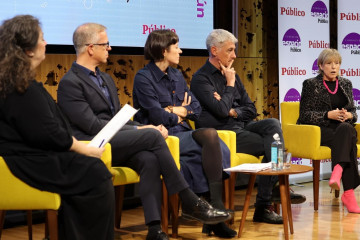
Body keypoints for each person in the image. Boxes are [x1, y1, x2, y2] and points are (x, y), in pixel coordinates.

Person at [57, 23, 231, 240]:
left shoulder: (107, 79)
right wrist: (145, 129)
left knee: (148, 159)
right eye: (106, 44)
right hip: (92, 144)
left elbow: (115, 119)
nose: (110, 48)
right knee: (152, 135)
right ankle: (189, 199)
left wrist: (142, 126)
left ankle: (154, 228)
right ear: (91, 48)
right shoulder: (69, 83)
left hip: (115, 141)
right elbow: (93, 126)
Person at [0, 15, 115, 240]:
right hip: (26, 161)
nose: (46, 43)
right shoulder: (20, 86)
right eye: (42, 39)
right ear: (29, 50)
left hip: (27, 156)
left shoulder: (16, 81)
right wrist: (85, 149)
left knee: (88, 169)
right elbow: (49, 134)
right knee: (96, 173)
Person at [190, 29, 306, 224]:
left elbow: (251, 108)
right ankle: (265, 202)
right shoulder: (201, 79)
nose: (234, 55)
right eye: (230, 50)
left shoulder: (232, 75)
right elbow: (219, 110)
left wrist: (233, 111)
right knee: (273, 145)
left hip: (241, 127)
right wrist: (229, 85)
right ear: (214, 50)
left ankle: (268, 196)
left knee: (272, 124)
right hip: (222, 135)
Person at [133, 29, 236, 238]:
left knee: (211, 140)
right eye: (176, 47)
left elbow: (196, 109)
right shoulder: (143, 78)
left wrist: (173, 110)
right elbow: (156, 115)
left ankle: (212, 214)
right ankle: (214, 210)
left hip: (182, 132)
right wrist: (177, 111)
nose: (180, 51)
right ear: (163, 51)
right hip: (162, 137)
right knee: (209, 140)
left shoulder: (176, 75)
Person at [297, 48, 360, 213]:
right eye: (329, 63)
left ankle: (337, 170)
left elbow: (354, 113)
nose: (334, 67)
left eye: (337, 63)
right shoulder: (310, 84)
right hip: (320, 130)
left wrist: (348, 115)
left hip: (342, 128)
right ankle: (348, 193)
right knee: (349, 140)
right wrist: (328, 115)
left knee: (347, 130)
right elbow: (304, 115)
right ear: (320, 66)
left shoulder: (346, 83)